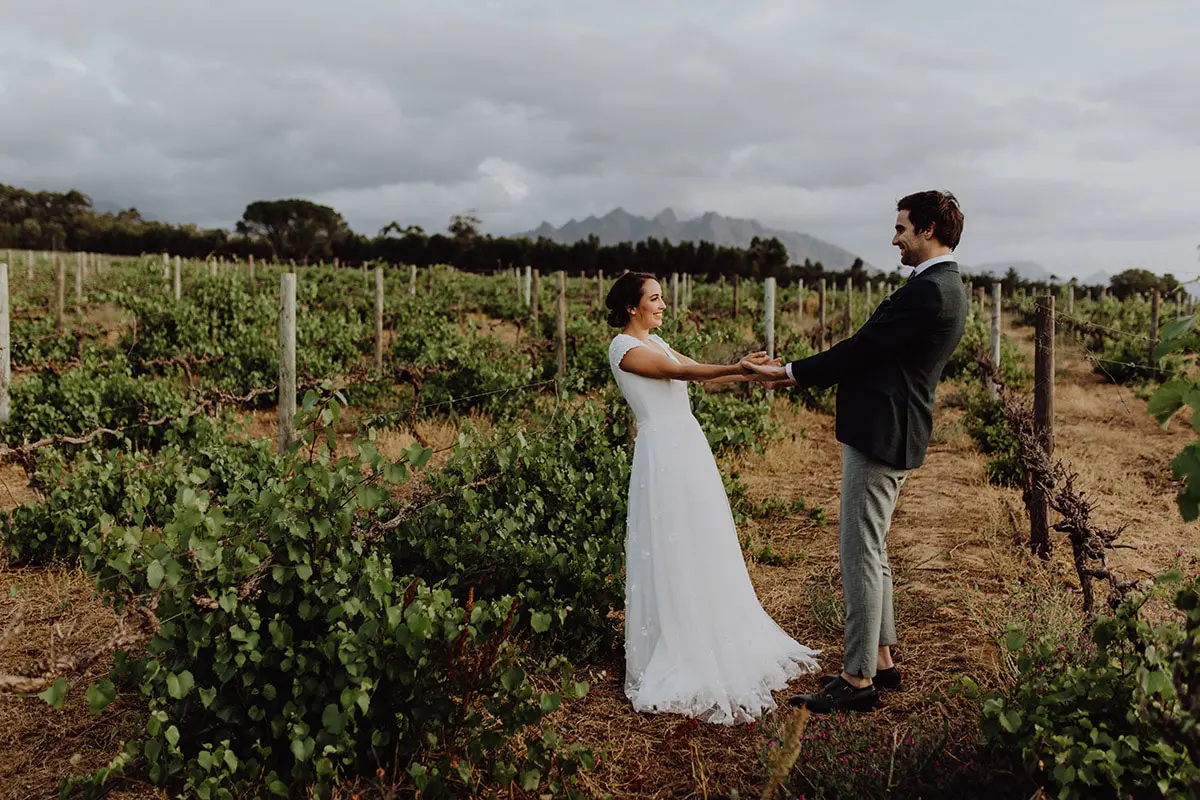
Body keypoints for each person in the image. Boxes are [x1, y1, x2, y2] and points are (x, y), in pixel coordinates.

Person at [747, 190, 969, 713]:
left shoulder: (932, 291)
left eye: (901, 229)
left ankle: (856, 679)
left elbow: (863, 348)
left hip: (882, 432)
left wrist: (790, 373)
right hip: (891, 427)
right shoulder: (940, 286)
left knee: (858, 551)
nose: (894, 238)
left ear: (929, 230)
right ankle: (882, 662)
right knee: (874, 547)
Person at [606, 270, 821, 725]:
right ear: (631, 307)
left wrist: (748, 373)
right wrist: (734, 366)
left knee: (702, 538)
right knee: (674, 543)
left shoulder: (657, 342)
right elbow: (681, 372)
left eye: (662, 298)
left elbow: (699, 376)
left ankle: (707, 622)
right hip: (663, 451)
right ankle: (681, 638)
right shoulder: (624, 349)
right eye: (655, 299)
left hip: (687, 446)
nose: (663, 305)